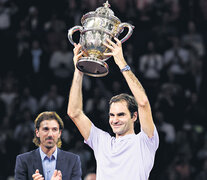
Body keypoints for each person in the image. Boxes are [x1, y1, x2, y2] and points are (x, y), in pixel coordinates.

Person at [68, 38, 159, 180]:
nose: (115, 120)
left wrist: (121, 63)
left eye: (121, 115)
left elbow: (143, 102)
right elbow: (74, 113)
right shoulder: (102, 142)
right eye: (112, 115)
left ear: (134, 117)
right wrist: (79, 70)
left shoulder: (145, 141)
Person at [15, 111, 82, 180]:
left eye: (54, 129)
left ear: (59, 133)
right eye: (46, 129)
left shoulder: (73, 161)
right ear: (37, 132)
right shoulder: (23, 161)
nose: (50, 134)